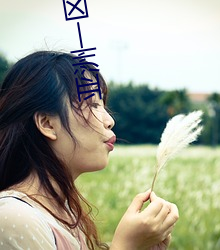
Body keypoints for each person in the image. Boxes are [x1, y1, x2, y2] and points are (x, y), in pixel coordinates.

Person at [0, 51, 179, 250]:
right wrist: (126, 246)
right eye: (92, 104)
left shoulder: (63, 213)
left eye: (103, 105)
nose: (110, 121)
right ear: (47, 123)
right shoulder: (14, 217)